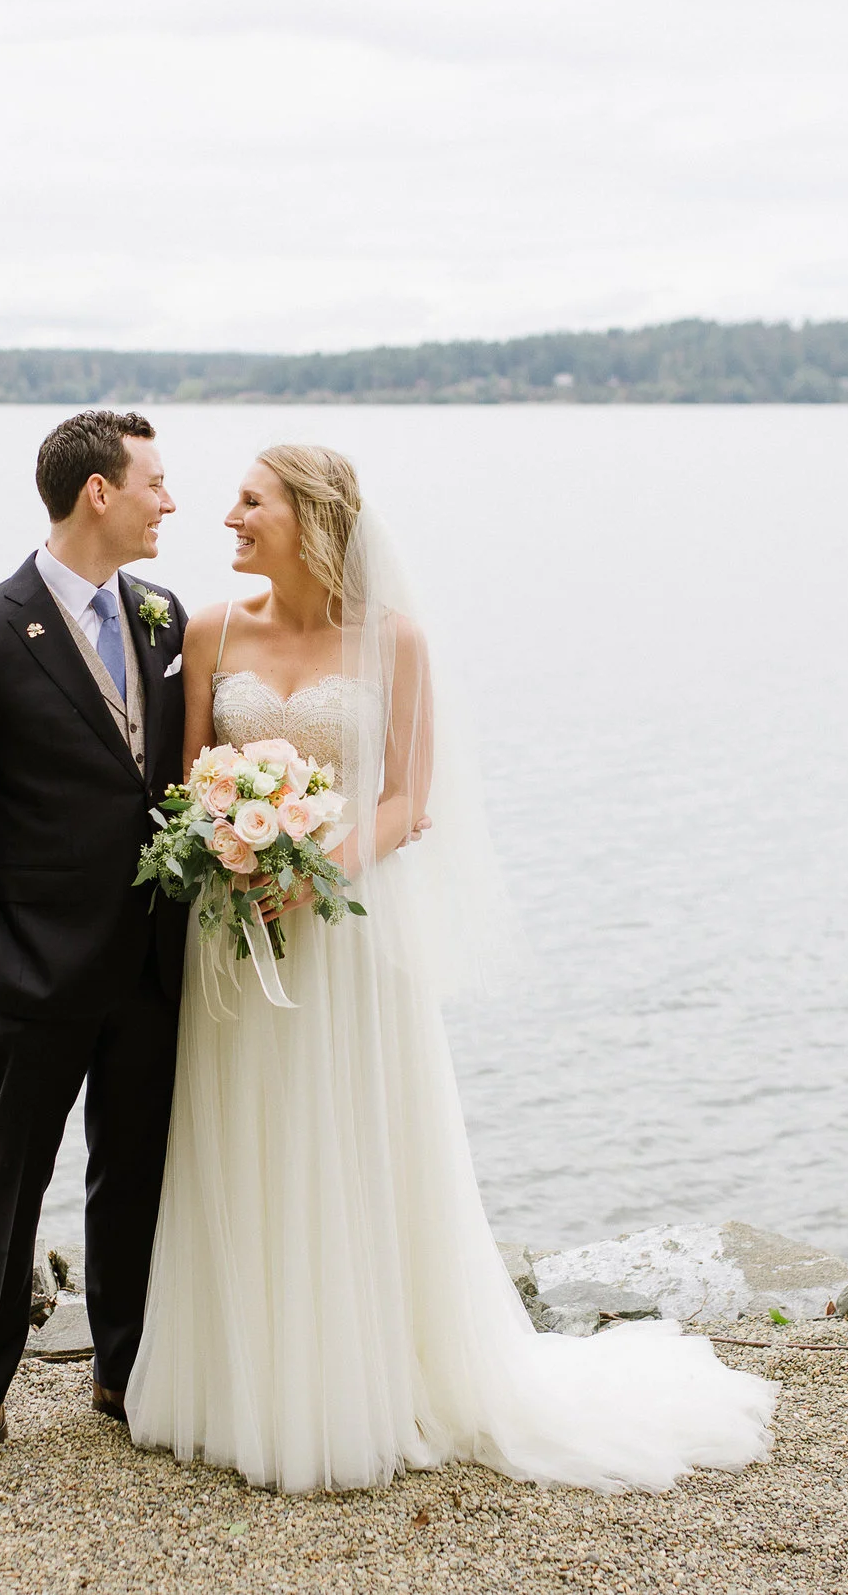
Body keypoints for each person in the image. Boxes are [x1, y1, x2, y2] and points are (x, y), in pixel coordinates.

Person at [125, 443, 780, 1494]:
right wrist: (229, 844)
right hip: (236, 931)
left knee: (350, 1139)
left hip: (345, 933)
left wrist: (311, 860)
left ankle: (365, 1382)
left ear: (309, 515)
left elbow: (407, 801)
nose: (229, 516)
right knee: (242, 1136)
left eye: (251, 501)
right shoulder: (211, 630)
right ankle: (240, 1383)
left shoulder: (395, 642)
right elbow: (189, 783)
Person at [0, 410, 190, 1486]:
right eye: (156, 482)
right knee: (11, 1185)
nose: (172, 501)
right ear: (98, 495)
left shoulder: (163, 617)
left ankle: (121, 1375)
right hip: (33, 972)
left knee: (132, 1176)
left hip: (150, 964)